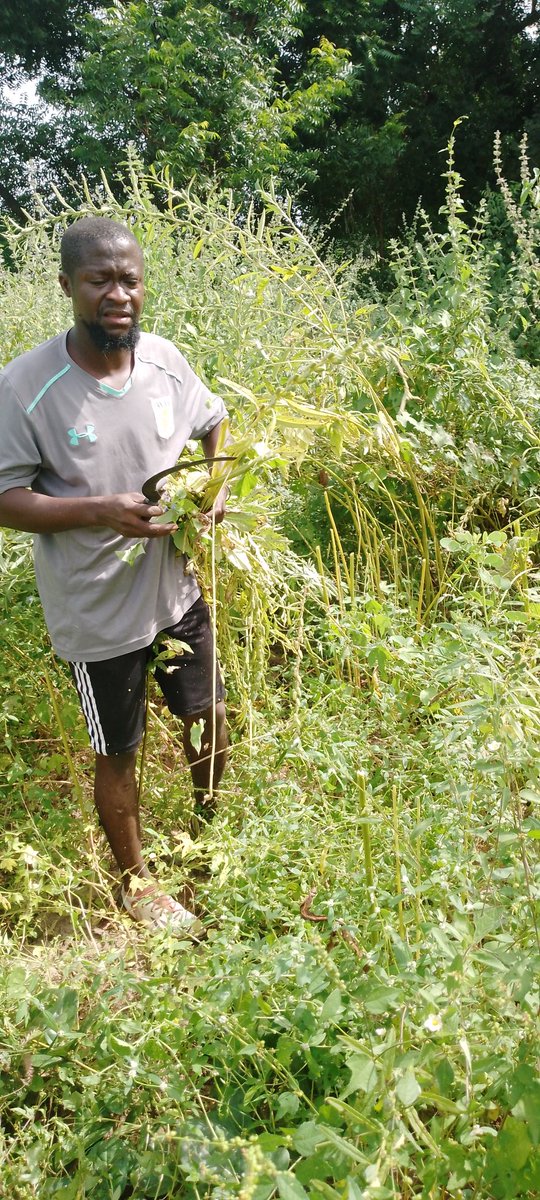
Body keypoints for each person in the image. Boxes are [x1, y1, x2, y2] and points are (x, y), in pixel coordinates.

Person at [0, 215, 230, 936]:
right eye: (100, 280)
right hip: (99, 613)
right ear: (68, 286)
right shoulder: (26, 387)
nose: (118, 294)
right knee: (119, 750)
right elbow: (5, 499)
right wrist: (101, 510)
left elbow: (213, 421)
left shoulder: (163, 360)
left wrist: (214, 483)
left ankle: (206, 845)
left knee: (214, 720)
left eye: (129, 279)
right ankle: (137, 885)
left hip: (176, 591)